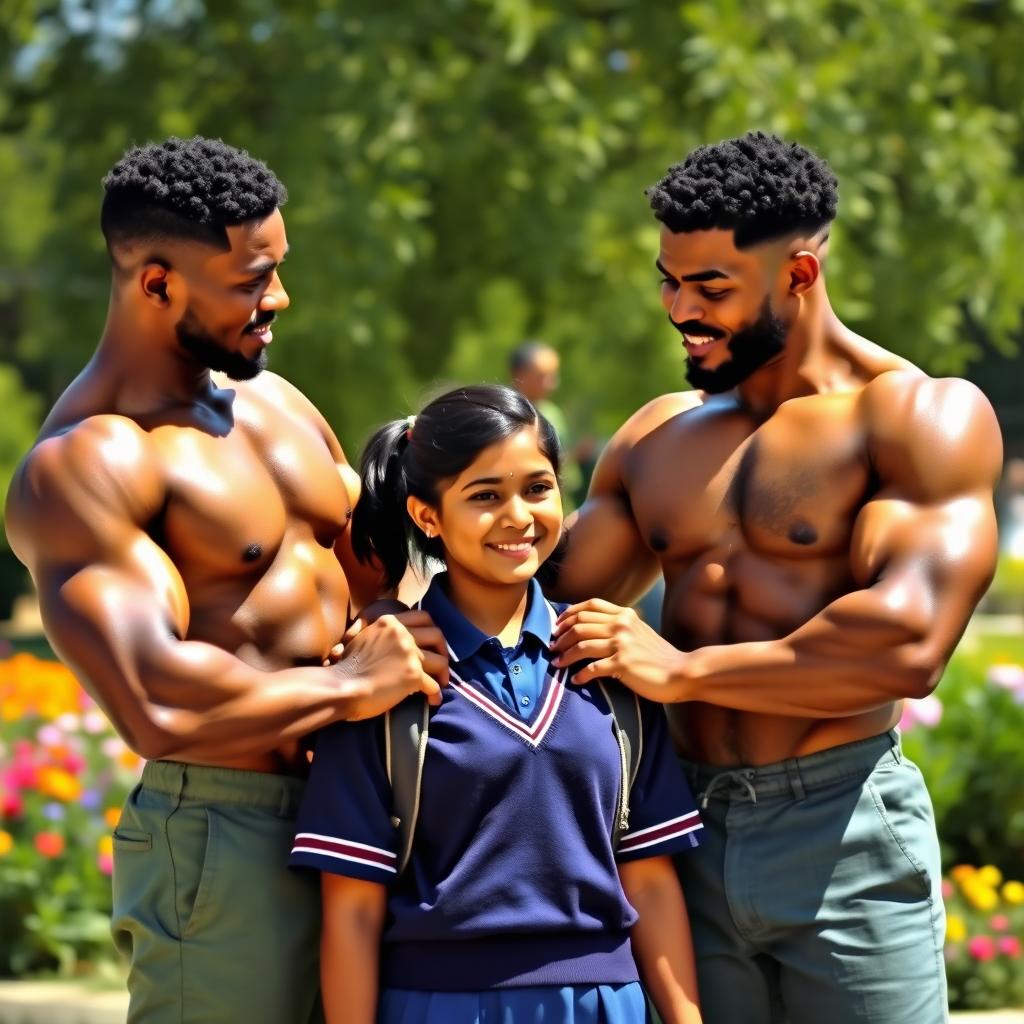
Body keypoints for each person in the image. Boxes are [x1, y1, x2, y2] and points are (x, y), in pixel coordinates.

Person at [547, 131, 1002, 1024]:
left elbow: (904, 647)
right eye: (668, 281)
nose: (681, 309)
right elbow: (533, 596)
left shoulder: (916, 415)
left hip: (845, 834)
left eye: (712, 287)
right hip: (683, 831)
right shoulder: (657, 437)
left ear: (798, 274)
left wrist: (683, 673)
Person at [4, 136, 446, 1024]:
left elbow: (371, 582)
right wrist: (348, 684)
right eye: (251, 280)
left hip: (358, 804)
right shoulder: (88, 461)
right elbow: (155, 702)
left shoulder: (277, 404)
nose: (277, 299)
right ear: (158, 283)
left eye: (276, 270)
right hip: (229, 827)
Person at [289, 384, 704, 1024]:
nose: (518, 516)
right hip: (439, 1007)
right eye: (485, 496)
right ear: (428, 516)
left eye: (538, 488)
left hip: (604, 1006)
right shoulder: (386, 679)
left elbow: (648, 877)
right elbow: (352, 910)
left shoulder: (607, 659)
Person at [509, 340, 586, 503]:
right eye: (542, 376)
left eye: (553, 375)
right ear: (520, 375)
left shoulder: (552, 412)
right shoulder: (507, 413)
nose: (551, 383)